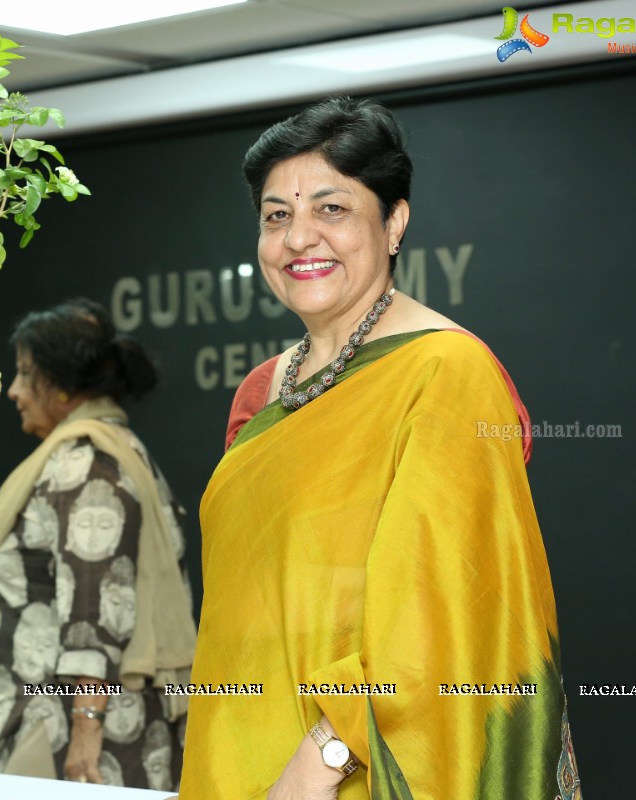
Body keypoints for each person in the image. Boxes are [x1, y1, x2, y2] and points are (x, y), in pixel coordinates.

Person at [177, 97, 582, 799]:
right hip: (236, 750)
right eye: (277, 216)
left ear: (394, 223)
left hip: (351, 771)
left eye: (331, 209)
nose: (299, 238)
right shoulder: (260, 394)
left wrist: (326, 758)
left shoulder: (446, 374)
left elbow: (445, 610)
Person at [0, 298, 195, 790]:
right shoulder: (111, 451)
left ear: (63, 386)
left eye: (25, 374)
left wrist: (85, 735)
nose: (15, 391)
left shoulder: (87, 467)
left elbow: (95, 614)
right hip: (73, 730)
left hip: (73, 745)